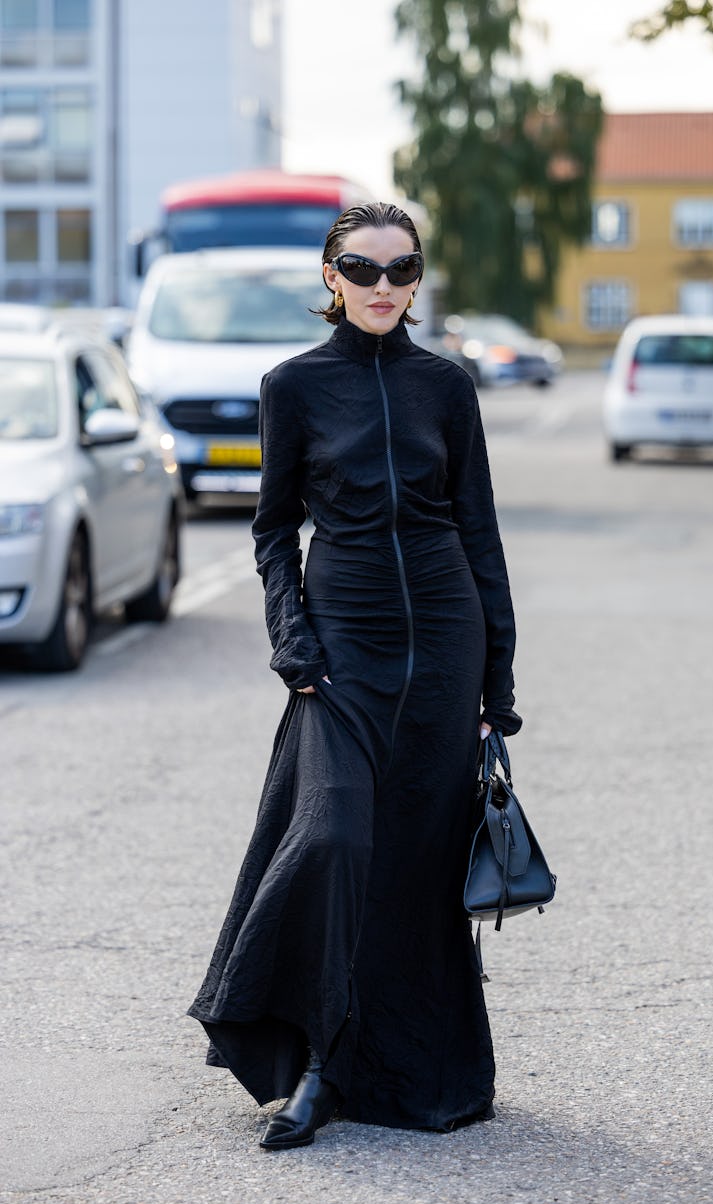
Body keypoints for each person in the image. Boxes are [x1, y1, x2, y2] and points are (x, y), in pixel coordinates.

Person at [188, 202, 521, 1151]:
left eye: (400, 270)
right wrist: (294, 645)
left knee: (416, 867)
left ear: (418, 280)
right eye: (362, 270)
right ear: (330, 277)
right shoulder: (292, 386)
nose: (383, 287)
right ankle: (312, 1064)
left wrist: (498, 678)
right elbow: (270, 532)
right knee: (330, 840)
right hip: (340, 652)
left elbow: (480, 531)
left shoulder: (447, 388)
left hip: (445, 650)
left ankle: (402, 1069)